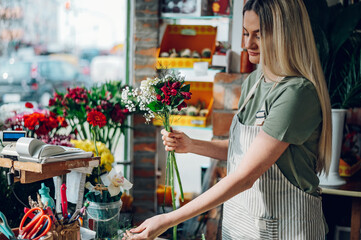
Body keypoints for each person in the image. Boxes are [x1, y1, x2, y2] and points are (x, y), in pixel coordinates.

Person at [123, 0, 332, 239]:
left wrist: (168, 219)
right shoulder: (254, 83)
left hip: (287, 227)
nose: (247, 44)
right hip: (244, 222)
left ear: (285, 35)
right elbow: (245, 151)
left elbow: (246, 176)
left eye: (258, 35)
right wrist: (192, 145)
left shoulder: (297, 93)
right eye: (245, 33)